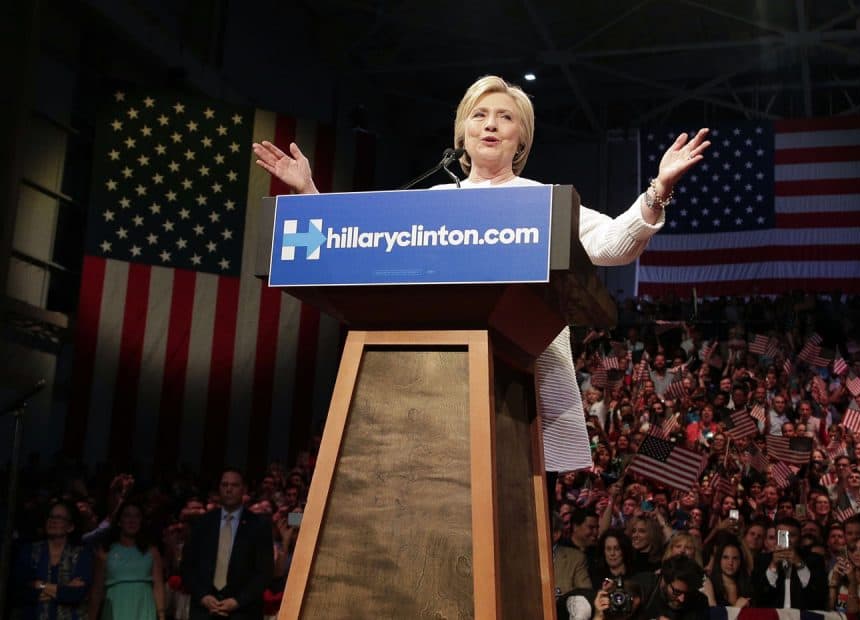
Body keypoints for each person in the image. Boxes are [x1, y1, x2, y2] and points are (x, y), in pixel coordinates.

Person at [252, 74, 710, 473]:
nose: (490, 124)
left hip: (521, 394)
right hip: (431, 390)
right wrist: (309, 195)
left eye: (505, 117)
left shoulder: (542, 203)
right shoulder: (429, 204)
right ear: (462, 134)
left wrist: (658, 188)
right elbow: (357, 245)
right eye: (479, 115)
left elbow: (614, 245)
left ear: (521, 139)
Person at [181, 469, 273, 620]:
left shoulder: (259, 526)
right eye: (224, 485)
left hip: (243, 612)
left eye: (234, 485)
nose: (229, 489)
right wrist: (203, 596)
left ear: (244, 489)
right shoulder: (202, 523)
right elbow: (187, 567)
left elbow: (264, 572)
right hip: (204, 611)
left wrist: (237, 601)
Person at [14, 499, 94, 619]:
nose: (53, 520)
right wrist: (64, 588)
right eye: (50, 516)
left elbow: (76, 594)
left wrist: (40, 585)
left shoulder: (81, 554)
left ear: (70, 527)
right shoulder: (30, 551)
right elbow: (21, 591)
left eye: (59, 518)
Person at [90, 501, 166, 620]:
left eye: (137, 516)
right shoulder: (106, 551)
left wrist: (161, 615)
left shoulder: (152, 551)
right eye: (127, 515)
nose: (132, 520)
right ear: (119, 521)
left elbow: (158, 586)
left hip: (144, 608)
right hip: (115, 608)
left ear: (141, 521)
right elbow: (97, 590)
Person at [751, 517, 827, 610]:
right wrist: (773, 566)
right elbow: (759, 596)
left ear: (799, 538)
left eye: (792, 535)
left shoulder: (814, 560)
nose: (788, 540)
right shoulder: (762, 560)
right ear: (775, 537)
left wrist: (800, 564)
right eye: (783, 535)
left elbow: (818, 596)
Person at [642, 556, 710, 619]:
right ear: (663, 581)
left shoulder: (700, 602)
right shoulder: (644, 587)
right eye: (677, 592)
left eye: (688, 593)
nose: (682, 599)